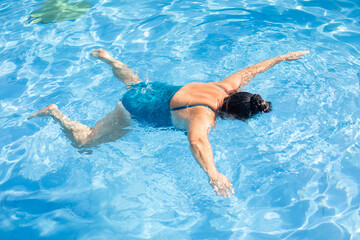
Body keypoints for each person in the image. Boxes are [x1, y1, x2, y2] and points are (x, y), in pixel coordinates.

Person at [28, 49, 309, 197]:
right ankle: (56, 113)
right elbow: (197, 141)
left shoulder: (223, 87)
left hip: (154, 90)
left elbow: (251, 70)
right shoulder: (203, 115)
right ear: (233, 115)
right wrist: (214, 174)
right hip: (134, 110)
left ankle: (109, 59)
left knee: (134, 83)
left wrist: (282, 58)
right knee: (85, 143)